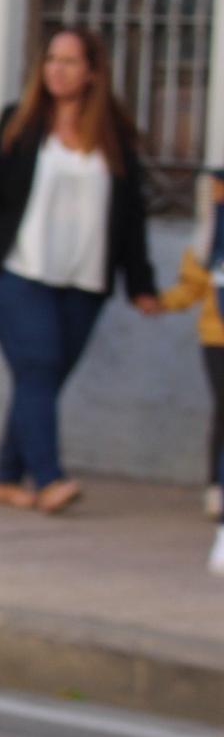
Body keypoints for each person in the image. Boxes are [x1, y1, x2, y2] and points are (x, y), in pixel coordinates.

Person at [0, 26, 160, 515]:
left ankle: (5, 475)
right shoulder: (18, 123)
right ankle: (50, 477)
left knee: (42, 377)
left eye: (70, 61)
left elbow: (131, 217)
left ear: (92, 72)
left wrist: (141, 285)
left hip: (83, 280)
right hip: (13, 272)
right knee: (38, 363)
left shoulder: (114, 136)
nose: (57, 70)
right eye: (51, 60)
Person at [158, 172, 224, 526]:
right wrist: (159, 302)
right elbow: (192, 288)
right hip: (217, 336)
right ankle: (217, 487)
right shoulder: (209, 240)